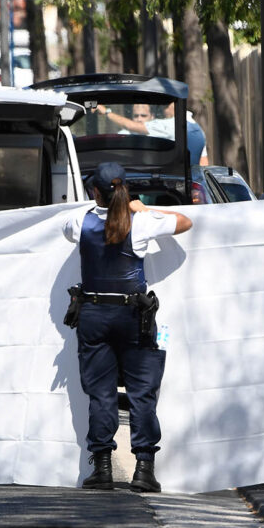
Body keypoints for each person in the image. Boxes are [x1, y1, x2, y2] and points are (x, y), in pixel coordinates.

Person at [63, 162, 192, 493]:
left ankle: (102, 468)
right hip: (134, 316)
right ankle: (144, 470)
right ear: (125, 191)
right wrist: (139, 206)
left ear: (95, 192)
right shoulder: (142, 221)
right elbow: (185, 221)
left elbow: (69, 230)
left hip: (93, 315)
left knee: (100, 393)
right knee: (142, 393)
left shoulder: (79, 221)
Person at [98, 102, 210, 165]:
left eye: (143, 115)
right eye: (136, 116)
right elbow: (203, 162)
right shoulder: (196, 128)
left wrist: (106, 112)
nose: (139, 119)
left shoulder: (169, 125)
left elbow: (132, 126)